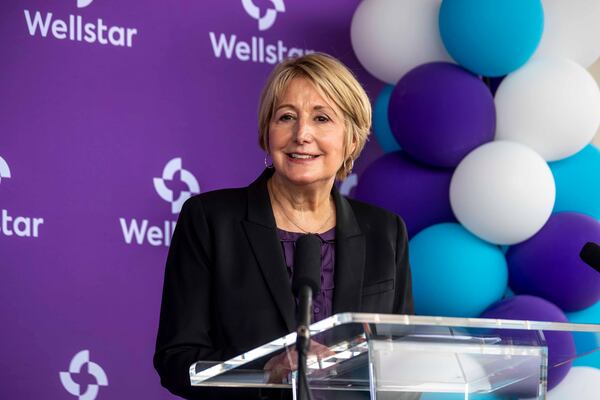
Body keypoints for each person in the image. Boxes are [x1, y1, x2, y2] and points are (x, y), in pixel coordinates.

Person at [153, 53, 414, 399]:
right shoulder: (210, 219)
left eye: (322, 118)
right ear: (266, 133)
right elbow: (177, 361)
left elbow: (403, 364)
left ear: (352, 139)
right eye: (286, 117)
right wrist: (265, 374)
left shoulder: (385, 232)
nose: (302, 134)